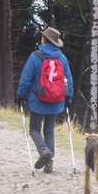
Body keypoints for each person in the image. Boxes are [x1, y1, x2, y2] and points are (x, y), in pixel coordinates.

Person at [16, 27, 74, 174]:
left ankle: (43, 151)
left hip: (39, 100)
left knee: (34, 129)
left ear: (44, 39)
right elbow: (68, 80)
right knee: (49, 130)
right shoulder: (62, 58)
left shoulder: (35, 57)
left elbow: (26, 79)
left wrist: (20, 96)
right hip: (56, 100)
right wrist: (68, 98)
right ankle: (49, 164)